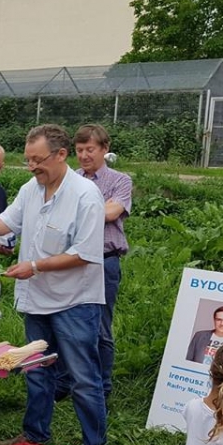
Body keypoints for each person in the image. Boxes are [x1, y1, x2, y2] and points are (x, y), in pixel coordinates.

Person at [0, 124, 108, 445]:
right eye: (28, 160)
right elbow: (5, 224)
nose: (31, 166)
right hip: (37, 299)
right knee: (36, 369)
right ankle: (36, 434)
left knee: (82, 377)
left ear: (61, 154)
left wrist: (35, 266)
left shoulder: (85, 196)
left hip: (74, 302)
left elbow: (85, 254)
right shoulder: (31, 189)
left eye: (37, 160)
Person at [69, 124, 132, 399]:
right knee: (70, 323)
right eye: (79, 150)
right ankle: (70, 382)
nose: (84, 155)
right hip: (72, 261)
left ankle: (102, 389)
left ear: (105, 149)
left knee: (101, 328)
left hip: (104, 262)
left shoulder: (120, 180)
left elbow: (111, 212)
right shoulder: (70, 178)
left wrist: (75, 209)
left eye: (90, 149)